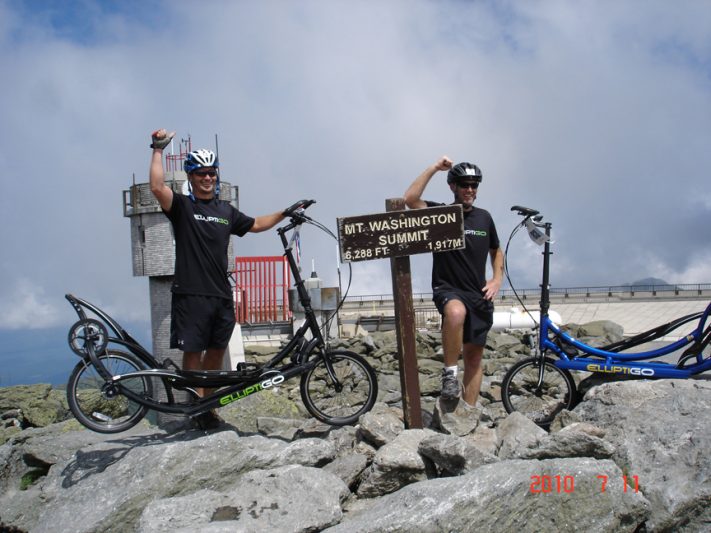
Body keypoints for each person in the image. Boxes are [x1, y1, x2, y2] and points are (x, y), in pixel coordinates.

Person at [149, 128, 291, 429]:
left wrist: (286, 212)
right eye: (201, 173)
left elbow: (255, 224)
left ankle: (207, 407)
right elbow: (158, 187)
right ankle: (193, 406)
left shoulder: (225, 210)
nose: (208, 178)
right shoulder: (183, 207)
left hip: (221, 295)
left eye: (212, 173)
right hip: (191, 294)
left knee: (214, 354)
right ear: (191, 176)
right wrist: (158, 149)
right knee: (192, 353)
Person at [404, 156, 503, 407]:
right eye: (464, 184)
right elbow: (410, 200)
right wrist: (435, 168)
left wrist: (496, 279)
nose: (469, 189)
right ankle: (449, 374)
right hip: (448, 288)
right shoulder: (442, 214)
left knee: (473, 359)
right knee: (455, 313)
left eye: (474, 185)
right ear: (453, 187)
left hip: (478, 294)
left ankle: (468, 413)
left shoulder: (484, 218)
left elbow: (496, 250)